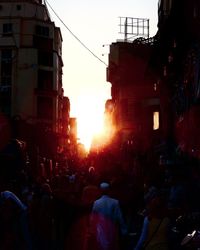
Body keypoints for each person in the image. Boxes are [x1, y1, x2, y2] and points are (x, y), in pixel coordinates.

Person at [89, 182, 127, 250]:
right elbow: (120, 217)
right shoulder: (115, 202)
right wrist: (124, 230)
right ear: (109, 190)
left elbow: (92, 218)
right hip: (112, 229)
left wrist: (92, 230)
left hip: (101, 230)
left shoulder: (96, 203)